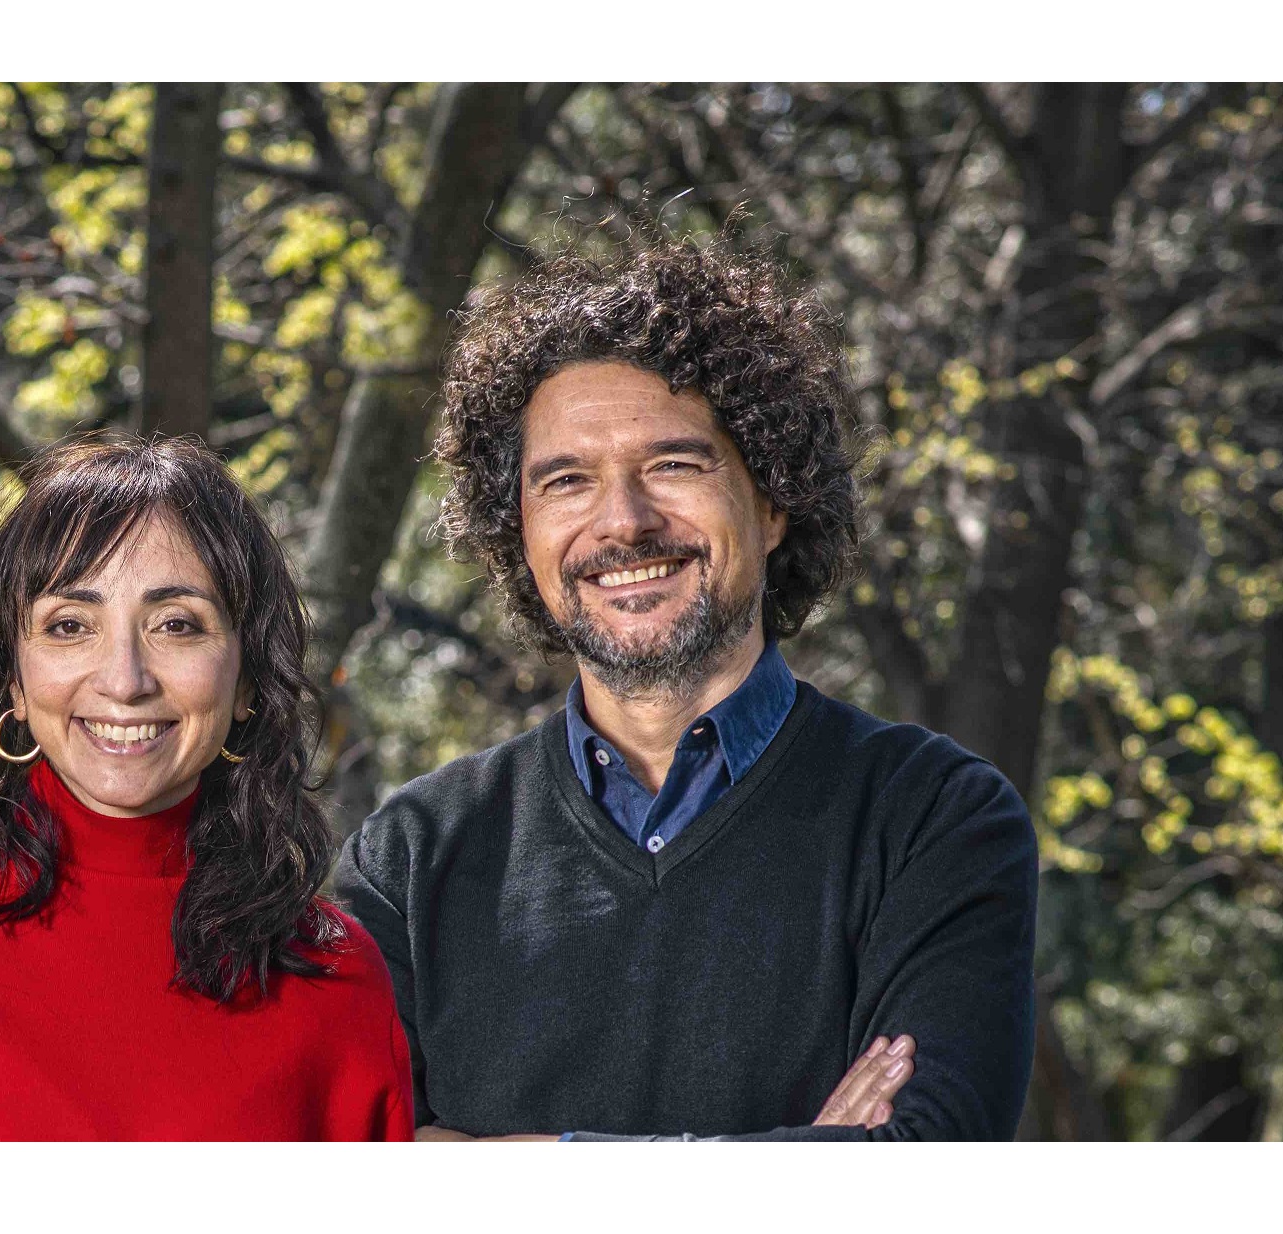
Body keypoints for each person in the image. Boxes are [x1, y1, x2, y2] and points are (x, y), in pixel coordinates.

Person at [335, 238, 1038, 1141]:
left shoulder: (933, 820)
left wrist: (512, 1163)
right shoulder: (408, 859)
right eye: (565, 481)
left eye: (673, 465)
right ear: (518, 531)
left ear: (773, 500)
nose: (622, 520)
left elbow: (916, 1177)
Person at [0, 438, 413, 1140]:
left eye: (176, 625)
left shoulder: (336, 976)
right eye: (70, 626)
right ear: (14, 681)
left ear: (246, 680)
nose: (124, 679)